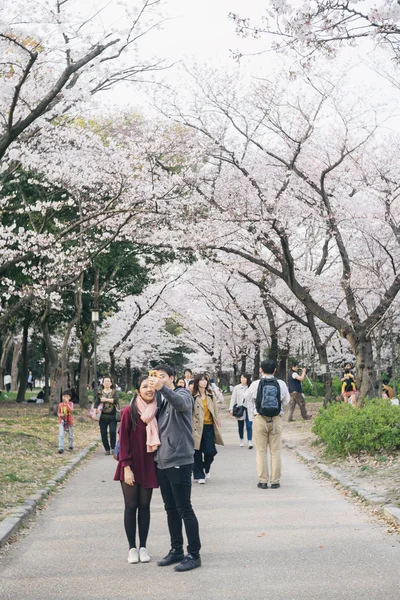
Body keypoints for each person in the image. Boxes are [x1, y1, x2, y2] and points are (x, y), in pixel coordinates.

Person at [149, 364, 201, 572]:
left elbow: (181, 404)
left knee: (184, 508)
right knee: (170, 509)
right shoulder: (159, 400)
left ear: (171, 378)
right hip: (162, 461)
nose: (159, 380)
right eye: (155, 376)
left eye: (163, 376)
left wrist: (162, 388)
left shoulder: (182, 393)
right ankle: (176, 549)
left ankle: (194, 554)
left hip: (179, 459)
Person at [114, 376, 159, 564]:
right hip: (130, 465)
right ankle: (132, 548)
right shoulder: (128, 412)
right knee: (131, 506)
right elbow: (123, 442)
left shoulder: (158, 411)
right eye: (144, 386)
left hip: (149, 464)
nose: (149, 389)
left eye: (151, 386)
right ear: (137, 391)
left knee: (145, 507)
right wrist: (126, 467)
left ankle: (143, 546)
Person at [245, 359, 290, 489]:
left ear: (261, 370)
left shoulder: (255, 384)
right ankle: (275, 481)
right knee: (276, 451)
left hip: (260, 419)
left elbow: (247, 397)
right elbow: (286, 400)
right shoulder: (280, 383)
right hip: (276, 419)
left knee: (261, 451)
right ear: (275, 370)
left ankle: (263, 481)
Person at [192, 373, 224, 484]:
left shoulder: (211, 395)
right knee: (197, 452)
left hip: (209, 426)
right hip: (196, 427)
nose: (204, 382)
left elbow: (215, 410)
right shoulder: (193, 396)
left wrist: (217, 420)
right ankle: (199, 475)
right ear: (197, 382)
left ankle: (206, 467)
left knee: (210, 451)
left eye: (205, 380)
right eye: (201, 380)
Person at [94, 375, 120, 455]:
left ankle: (113, 447)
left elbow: (115, 400)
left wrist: (105, 400)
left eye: (108, 381)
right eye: (105, 381)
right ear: (103, 383)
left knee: (112, 431)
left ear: (111, 383)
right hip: (102, 416)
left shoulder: (114, 392)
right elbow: (96, 402)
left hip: (112, 416)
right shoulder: (99, 392)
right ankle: (107, 449)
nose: (107, 383)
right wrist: (94, 412)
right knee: (103, 432)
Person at [229, 374, 253, 448]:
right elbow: (233, 398)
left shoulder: (251, 387)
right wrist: (231, 408)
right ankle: (241, 439)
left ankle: (250, 441)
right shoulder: (237, 388)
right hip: (240, 408)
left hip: (249, 408)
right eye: (241, 378)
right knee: (240, 425)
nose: (242, 379)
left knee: (249, 425)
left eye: (244, 378)